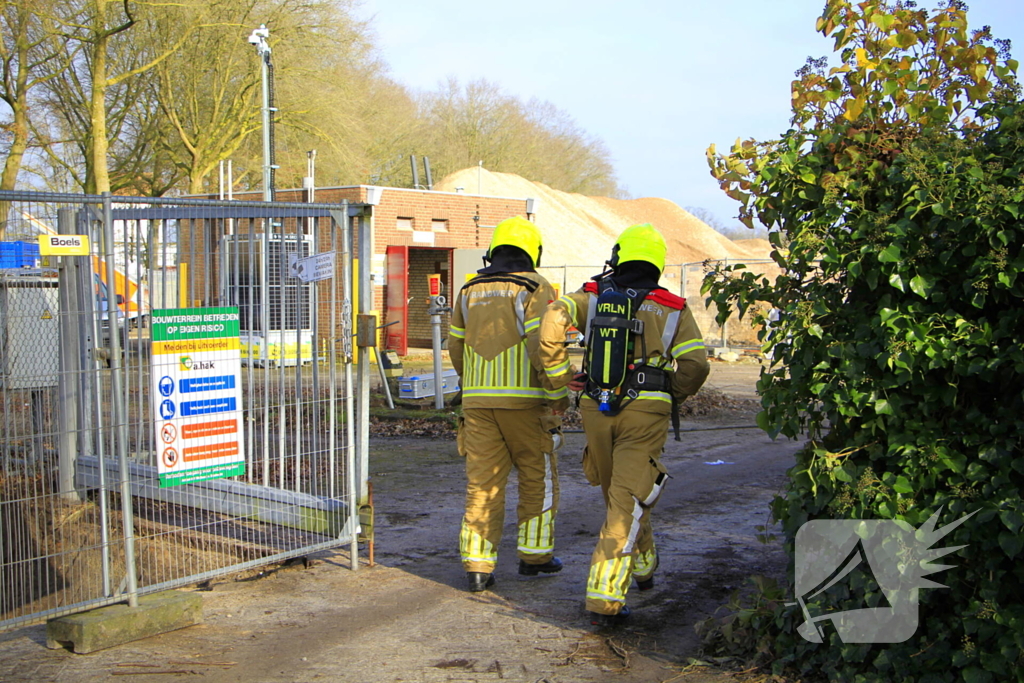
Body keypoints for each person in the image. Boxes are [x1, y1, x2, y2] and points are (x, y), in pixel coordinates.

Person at [539, 223, 710, 624]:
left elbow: (551, 323)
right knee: (627, 499)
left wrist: (563, 376)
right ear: (657, 263)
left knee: (623, 494)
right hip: (646, 411)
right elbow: (696, 364)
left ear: (618, 256)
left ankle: (645, 567)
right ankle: (604, 596)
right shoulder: (672, 307)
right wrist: (673, 396)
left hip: (596, 408)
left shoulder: (593, 296)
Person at [448, 216, 569, 593]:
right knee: (537, 477)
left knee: (482, 482)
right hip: (527, 404)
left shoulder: (468, 289)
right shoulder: (536, 286)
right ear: (533, 251)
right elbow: (543, 345)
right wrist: (557, 393)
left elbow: (455, 345)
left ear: (494, 250)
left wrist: (474, 385)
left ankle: (477, 567)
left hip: (478, 403)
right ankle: (535, 558)